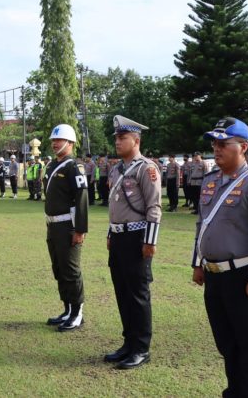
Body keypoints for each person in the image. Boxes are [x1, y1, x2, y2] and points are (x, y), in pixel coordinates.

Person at [191, 117, 248, 398]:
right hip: (214, 275)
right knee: (227, 342)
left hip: (244, 276)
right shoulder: (210, 181)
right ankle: (235, 392)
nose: (216, 149)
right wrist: (198, 263)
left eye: (223, 144)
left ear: (243, 147)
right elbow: (202, 224)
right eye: (214, 144)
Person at [104, 116, 161, 370]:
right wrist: (109, 233)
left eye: (122, 137)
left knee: (138, 294)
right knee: (122, 291)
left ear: (136, 140)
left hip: (137, 238)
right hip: (118, 237)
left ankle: (141, 348)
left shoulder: (146, 168)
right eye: (116, 137)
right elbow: (114, 207)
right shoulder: (116, 169)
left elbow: (154, 207)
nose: (117, 141)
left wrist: (149, 242)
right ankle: (128, 343)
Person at [43, 124, 89, 332]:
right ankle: (67, 309)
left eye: (59, 140)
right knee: (59, 269)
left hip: (68, 226)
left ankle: (77, 312)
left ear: (70, 143)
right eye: (53, 140)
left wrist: (80, 229)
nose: (54, 143)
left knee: (71, 270)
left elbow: (82, 198)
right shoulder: (53, 165)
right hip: (53, 225)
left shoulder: (74, 167)